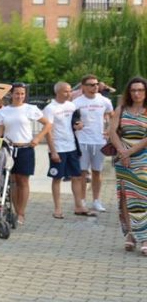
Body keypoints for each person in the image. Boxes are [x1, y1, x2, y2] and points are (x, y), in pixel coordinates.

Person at [0, 83, 51, 225]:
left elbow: (48, 124)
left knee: (23, 181)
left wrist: (38, 138)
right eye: (17, 93)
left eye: (22, 94)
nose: (19, 96)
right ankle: (14, 210)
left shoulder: (30, 109)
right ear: (11, 94)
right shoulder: (3, 111)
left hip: (25, 149)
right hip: (9, 149)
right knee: (11, 181)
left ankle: (21, 213)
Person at [109, 76, 147, 255]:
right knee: (125, 196)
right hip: (123, 159)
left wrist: (128, 152)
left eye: (140, 90)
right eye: (133, 90)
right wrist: (121, 150)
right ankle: (130, 234)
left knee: (141, 197)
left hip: (142, 159)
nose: (137, 93)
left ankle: (145, 236)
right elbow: (113, 132)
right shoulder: (121, 109)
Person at [43, 82, 86, 218]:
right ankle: (57, 208)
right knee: (57, 178)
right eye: (65, 91)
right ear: (58, 92)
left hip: (72, 146)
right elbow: (47, 131)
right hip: (58, 148)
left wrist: (79, 125)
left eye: (69, 91)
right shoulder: (50, 108)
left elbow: (75, 122)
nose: (69, 94)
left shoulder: (72, 106)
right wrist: (53, 151)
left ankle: (78, 206)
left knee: (77, 177)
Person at [73, 74, 114, 212]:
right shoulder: (77, 102)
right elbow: (70, 120)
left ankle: (96, 200)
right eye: (91, 84)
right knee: (83, 173)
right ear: (83, 86)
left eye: (96, 84)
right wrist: (75, 124)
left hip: (99, 141)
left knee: (97, 171)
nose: (95, 87)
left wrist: (109, 129)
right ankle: (82, 200)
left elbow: (114, 117)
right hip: (82, 140)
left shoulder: (105, 101)